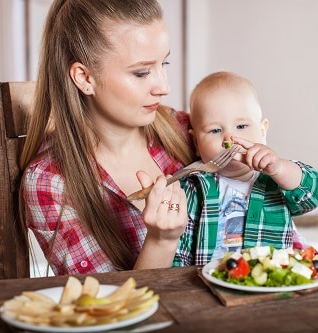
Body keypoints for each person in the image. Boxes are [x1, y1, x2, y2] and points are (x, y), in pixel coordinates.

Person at [19, 0, 196, 275]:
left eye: (165, 63)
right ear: (85, 78)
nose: (164, 87)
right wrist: (161, 241)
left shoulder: (184, 130)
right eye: (141, 72)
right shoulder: (50, 182)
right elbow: (106, 306)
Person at [173, 71, 318, 266]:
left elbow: (316, 194)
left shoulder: (276, 176)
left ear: (262, 131)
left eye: (241, 126)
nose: (229, 139)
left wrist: (279, 169)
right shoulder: (192, 187)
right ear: (196, 142)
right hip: (211, 282)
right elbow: (180, 248)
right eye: (215, 130)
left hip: (272, 282)